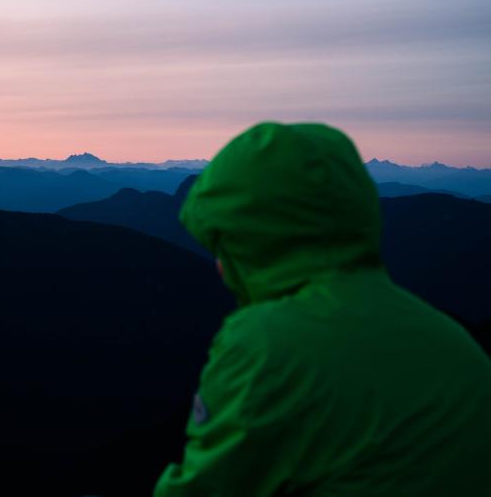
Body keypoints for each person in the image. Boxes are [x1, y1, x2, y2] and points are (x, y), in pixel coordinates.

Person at [154, 122, 491, 496]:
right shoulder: (452, 340)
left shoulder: (266, 345)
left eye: (224, 244)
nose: (218, 265)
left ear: (252, 241)